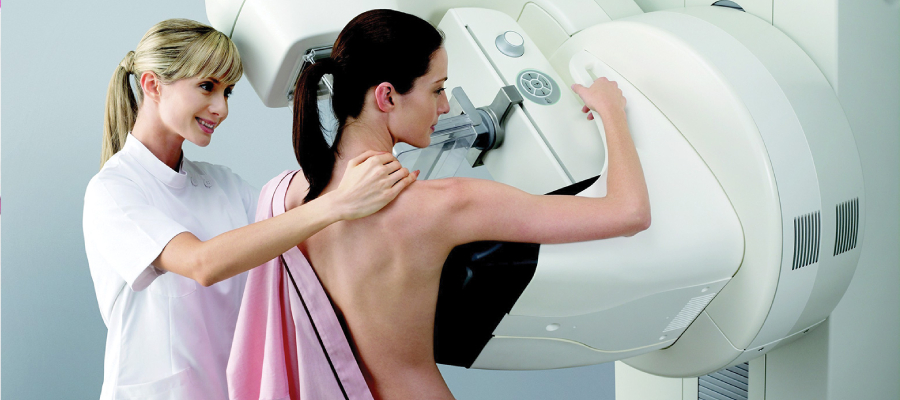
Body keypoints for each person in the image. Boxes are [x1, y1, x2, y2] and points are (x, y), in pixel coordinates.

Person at [283, 9, 650, 400]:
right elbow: (630, 213)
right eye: (437, 89)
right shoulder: (445, 205)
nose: (444, 106)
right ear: (387, 96)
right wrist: (612, 112)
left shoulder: (291, 195)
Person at [82, 19, 416, 399]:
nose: (221, 108)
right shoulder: (114, 190)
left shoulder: (222, 184)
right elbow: (202, 264)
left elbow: (292, 222)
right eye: (207, 86)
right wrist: (337, 203)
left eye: (228, 92)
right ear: (152, 85)